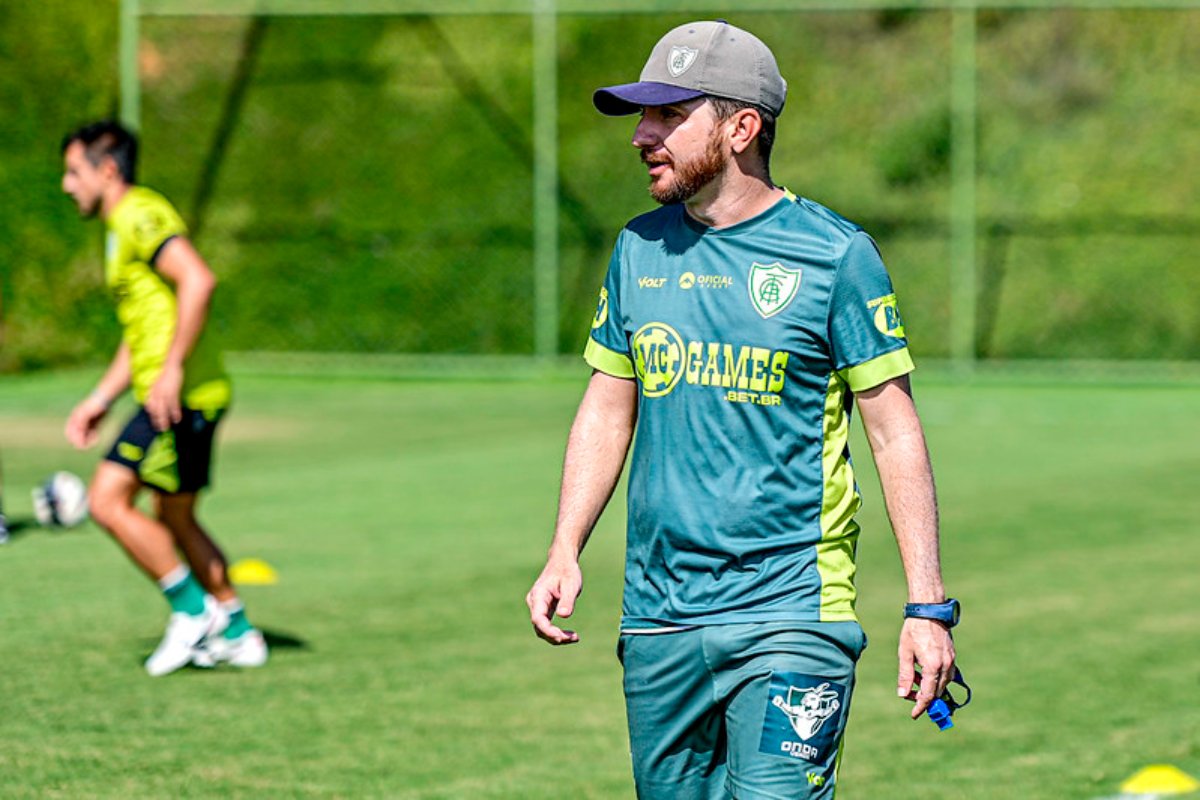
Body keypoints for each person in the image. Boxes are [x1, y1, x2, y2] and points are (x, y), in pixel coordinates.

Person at [526, 20, 958, 799]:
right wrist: (565, 547)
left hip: (793, 610)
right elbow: (606, 408)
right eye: (641, 116)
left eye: (666, 115)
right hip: (659, 615)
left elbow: (894, 433)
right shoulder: (638, 249)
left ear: (740, 127)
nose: (641, 135)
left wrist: (927, 605)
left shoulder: (835, 256)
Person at [60, 120, 266, 676]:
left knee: (106, 500)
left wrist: (172, 369)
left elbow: (198, 279)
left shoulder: (139, 214)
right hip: (175, 391)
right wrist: (101, 396)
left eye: (73, 171)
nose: (65, 184)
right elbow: (143, 327)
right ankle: (239, 631)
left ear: (108, 170)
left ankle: (191, 610)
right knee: (173, 514)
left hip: (181, 395)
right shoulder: (116, 227)